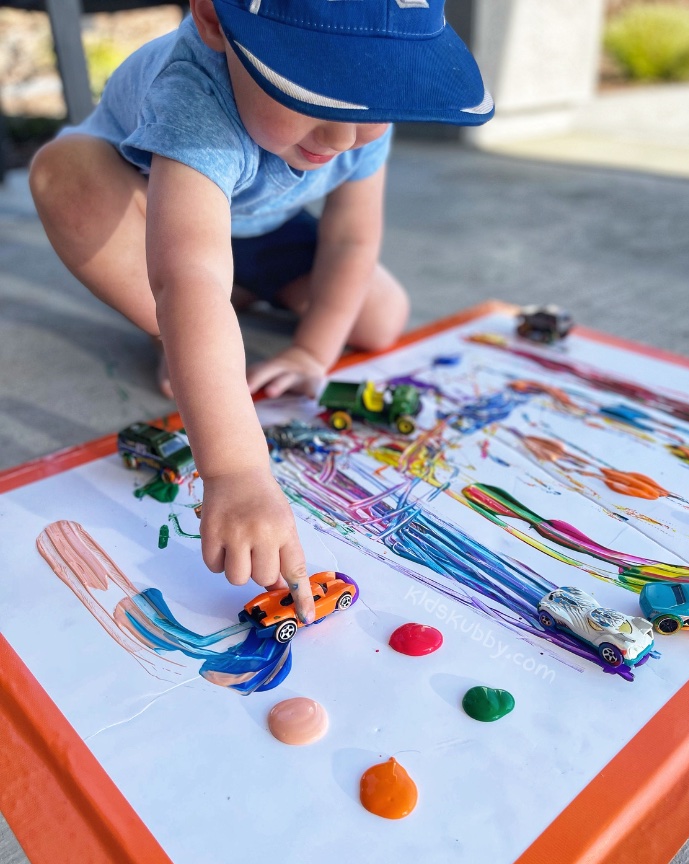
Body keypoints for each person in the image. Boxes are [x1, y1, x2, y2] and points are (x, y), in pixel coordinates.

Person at [29, 0, 493, 621]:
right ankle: (178, 331)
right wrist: (237, 472)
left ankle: (227, 310)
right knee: (68, 178)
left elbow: (352, 239)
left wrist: (312, 353)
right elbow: (188, 272)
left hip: (255, 225)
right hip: (145, 219)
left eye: (371, 102)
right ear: (217, 20)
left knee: (381, 314)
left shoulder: (354, 113)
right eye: (313, 93)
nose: (342, 135)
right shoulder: (194, 91)